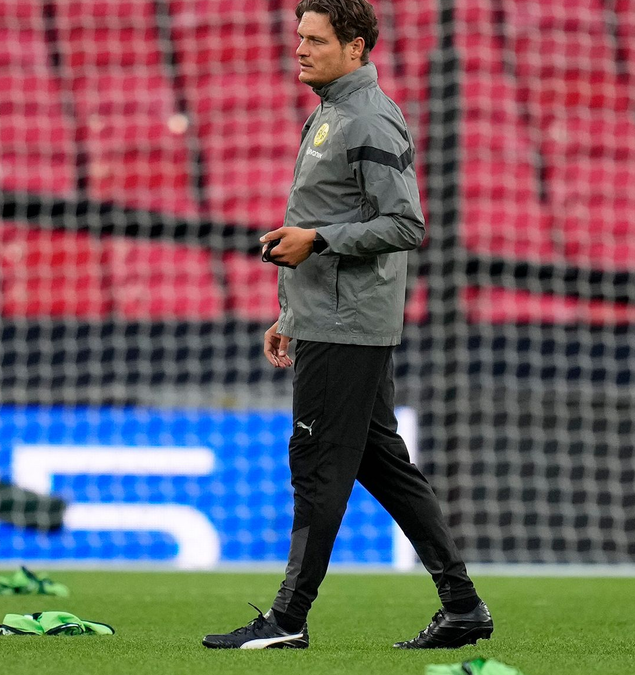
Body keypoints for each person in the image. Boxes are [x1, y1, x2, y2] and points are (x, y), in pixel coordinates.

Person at [201, 0, 492, 651]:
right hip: (327, 316)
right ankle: (463, 606)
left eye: (316, 39)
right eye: (299, 37)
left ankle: (287, 618)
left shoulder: (367, 118)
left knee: (315, 463)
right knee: (383, 464)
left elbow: (407, 224)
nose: (301, 49)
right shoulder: (334, 110)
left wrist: (320, 242)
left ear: (356, 46)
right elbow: (320, 217)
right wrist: (290, 311)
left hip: (347, 322)